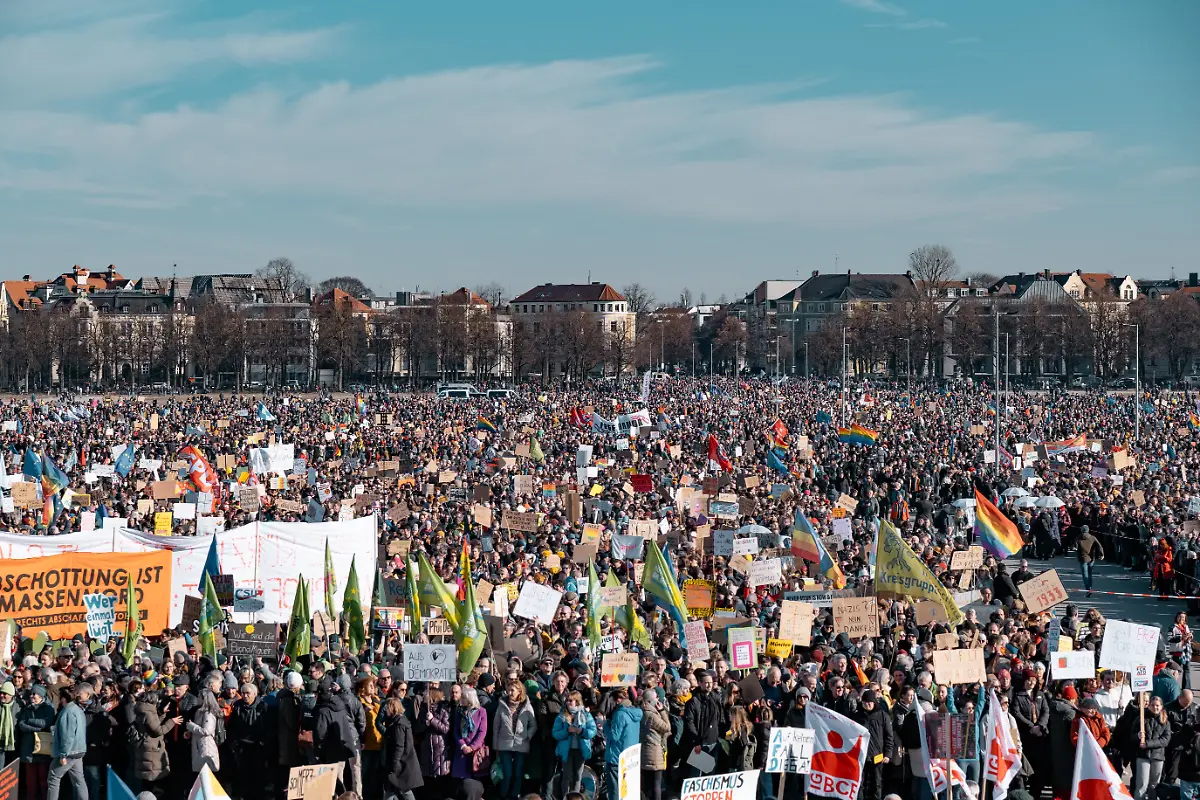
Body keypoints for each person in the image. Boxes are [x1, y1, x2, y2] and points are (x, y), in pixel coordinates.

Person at [493, 680, 537, 800]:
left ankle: (514, 795)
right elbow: (496, 726)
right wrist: (495, 746)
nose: (510, 692)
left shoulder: (527, 706)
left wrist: (528, 735)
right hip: (504, 744)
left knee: (518, 774)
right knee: (507, 773)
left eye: (513, 690)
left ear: (519, 691)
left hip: (521, 744)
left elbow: (533, 725)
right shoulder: (502, 705)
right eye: (508, 690)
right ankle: (503, 795)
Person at [551, 691, 596, 797]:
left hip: (581, 749)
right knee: (566, 776)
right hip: (567, 750)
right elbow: (555, 733)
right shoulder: (562, 715)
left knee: (578, 776)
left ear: (577, 701)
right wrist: (567, 731)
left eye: (571, 700)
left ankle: (575, 798)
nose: (568, 702)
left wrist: (582, 731)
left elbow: (593, 730)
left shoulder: (585, 714)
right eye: (567, 700)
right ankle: (565, 797)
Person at [47, 686, 88, 800]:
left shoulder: (67, 712)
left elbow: (67, 736)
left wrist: (63, 755)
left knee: (53, 778)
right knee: (79, 781)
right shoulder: (78, 709)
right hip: (79, 750)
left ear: (63, 698)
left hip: (69, 752)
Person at [602, 688, 642, 800]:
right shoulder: (636, 712)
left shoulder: (620, 714)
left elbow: (614, 736)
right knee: (627, 790)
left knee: (615, 789)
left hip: (616, 757)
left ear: (618, 700)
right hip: (630, 757)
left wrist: (604, 724)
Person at [381, 696, 423, 800]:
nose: (385, 710)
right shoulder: (398, 721)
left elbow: (399, 746)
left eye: (387, 707)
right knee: (391, 789)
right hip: (400, 763)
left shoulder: (398, 724)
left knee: (403, 789)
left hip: (400, 764)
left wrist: (394, 764)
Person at [1130, 694, 1170, 800]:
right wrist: (1137, 736)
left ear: (1161, 706)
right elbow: (1132, 737)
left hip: (1158, 757)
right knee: (1141, 784)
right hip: (1143, 756)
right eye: (1152, 705)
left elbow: (1165, 740)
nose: (1155, 707)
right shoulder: (1141, 719)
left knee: (1154, 785)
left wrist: (1148, 744)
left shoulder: (1165, 721)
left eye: (1157, 705)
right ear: (1149, 706)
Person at [18, 683, 54, 800]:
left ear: (41, 695)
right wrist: (37, 729)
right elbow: (22, 725)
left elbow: (46, 723)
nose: (32, 696)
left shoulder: (48, 708)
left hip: (43, 748)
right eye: (31, 694)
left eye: (34, 694)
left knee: (44, 781)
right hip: (28, 748)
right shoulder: (26, 708)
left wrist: (30, 721)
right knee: (30, 782)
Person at [450, 686, 489, 782]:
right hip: (462, 750)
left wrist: (472, 747)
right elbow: (456, 731)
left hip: (476, 750)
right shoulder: (459, 711)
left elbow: (482, 732)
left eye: (463, 697)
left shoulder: (481, 711)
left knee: (475, 779)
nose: (461, 699)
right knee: (461, 779)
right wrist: (463, 746)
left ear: (470, 698)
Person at [640, 690, 670, 800]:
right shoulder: (651, 715)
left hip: (645, 752)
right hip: (654, 753)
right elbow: (667, 727)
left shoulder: (642, 711)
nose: (658, 699)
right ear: (650, 701)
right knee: (656, 784)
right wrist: (662, 711)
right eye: (656, 697)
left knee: (647, 785)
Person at [1077, 525, 1104, 596]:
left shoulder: (1079, 537)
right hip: (1091, 558)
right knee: (1089, 574)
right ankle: (1090, 588)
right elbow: (1099, 546)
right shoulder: (1092, 538)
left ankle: (1088, 589)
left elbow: (1075, 546)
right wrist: (1102, 554)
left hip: (1083, 558)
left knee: (1085, 574)